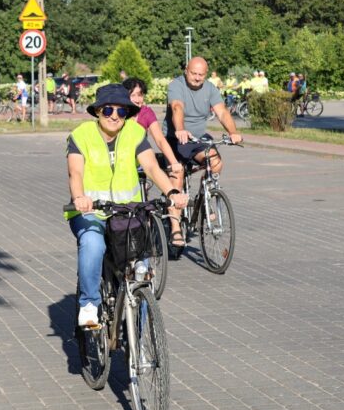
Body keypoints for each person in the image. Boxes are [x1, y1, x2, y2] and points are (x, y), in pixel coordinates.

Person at [66, 84, 188, 327]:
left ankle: (140, 341)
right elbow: (75, 173)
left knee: (140, 271)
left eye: (121, 112)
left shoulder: (134, 133)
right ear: (98, 111)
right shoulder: (81, 135)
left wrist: (172, 191)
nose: (114, 116)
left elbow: (152, 167)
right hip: (91, 211)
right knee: (93, 244)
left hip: (128, 212)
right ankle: (89, 303)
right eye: (108, 110)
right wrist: (80, 197)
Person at [165, 57, 243, 229]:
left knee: (214, 162)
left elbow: (222, 112)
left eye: (201, 74)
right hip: (176, 137)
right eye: (194, 73)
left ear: (206, 74)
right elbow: (177, 107)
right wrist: (180, 129)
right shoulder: (176, 86)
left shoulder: (210, 88)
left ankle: (204, 197)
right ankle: (175, 228)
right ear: (186, 70)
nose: (197, 78)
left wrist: (233, 132)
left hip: (198, 139)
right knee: (177, 177)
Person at [123, 77, 185, 243]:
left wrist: (173, 162)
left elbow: (159, 139)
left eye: (140, 94)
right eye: (133, 95)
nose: (137, 99)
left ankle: (174, 226)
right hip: (124, 162)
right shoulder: (119, 113)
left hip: (143, 159)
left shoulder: (146, 112)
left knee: (170, 179)